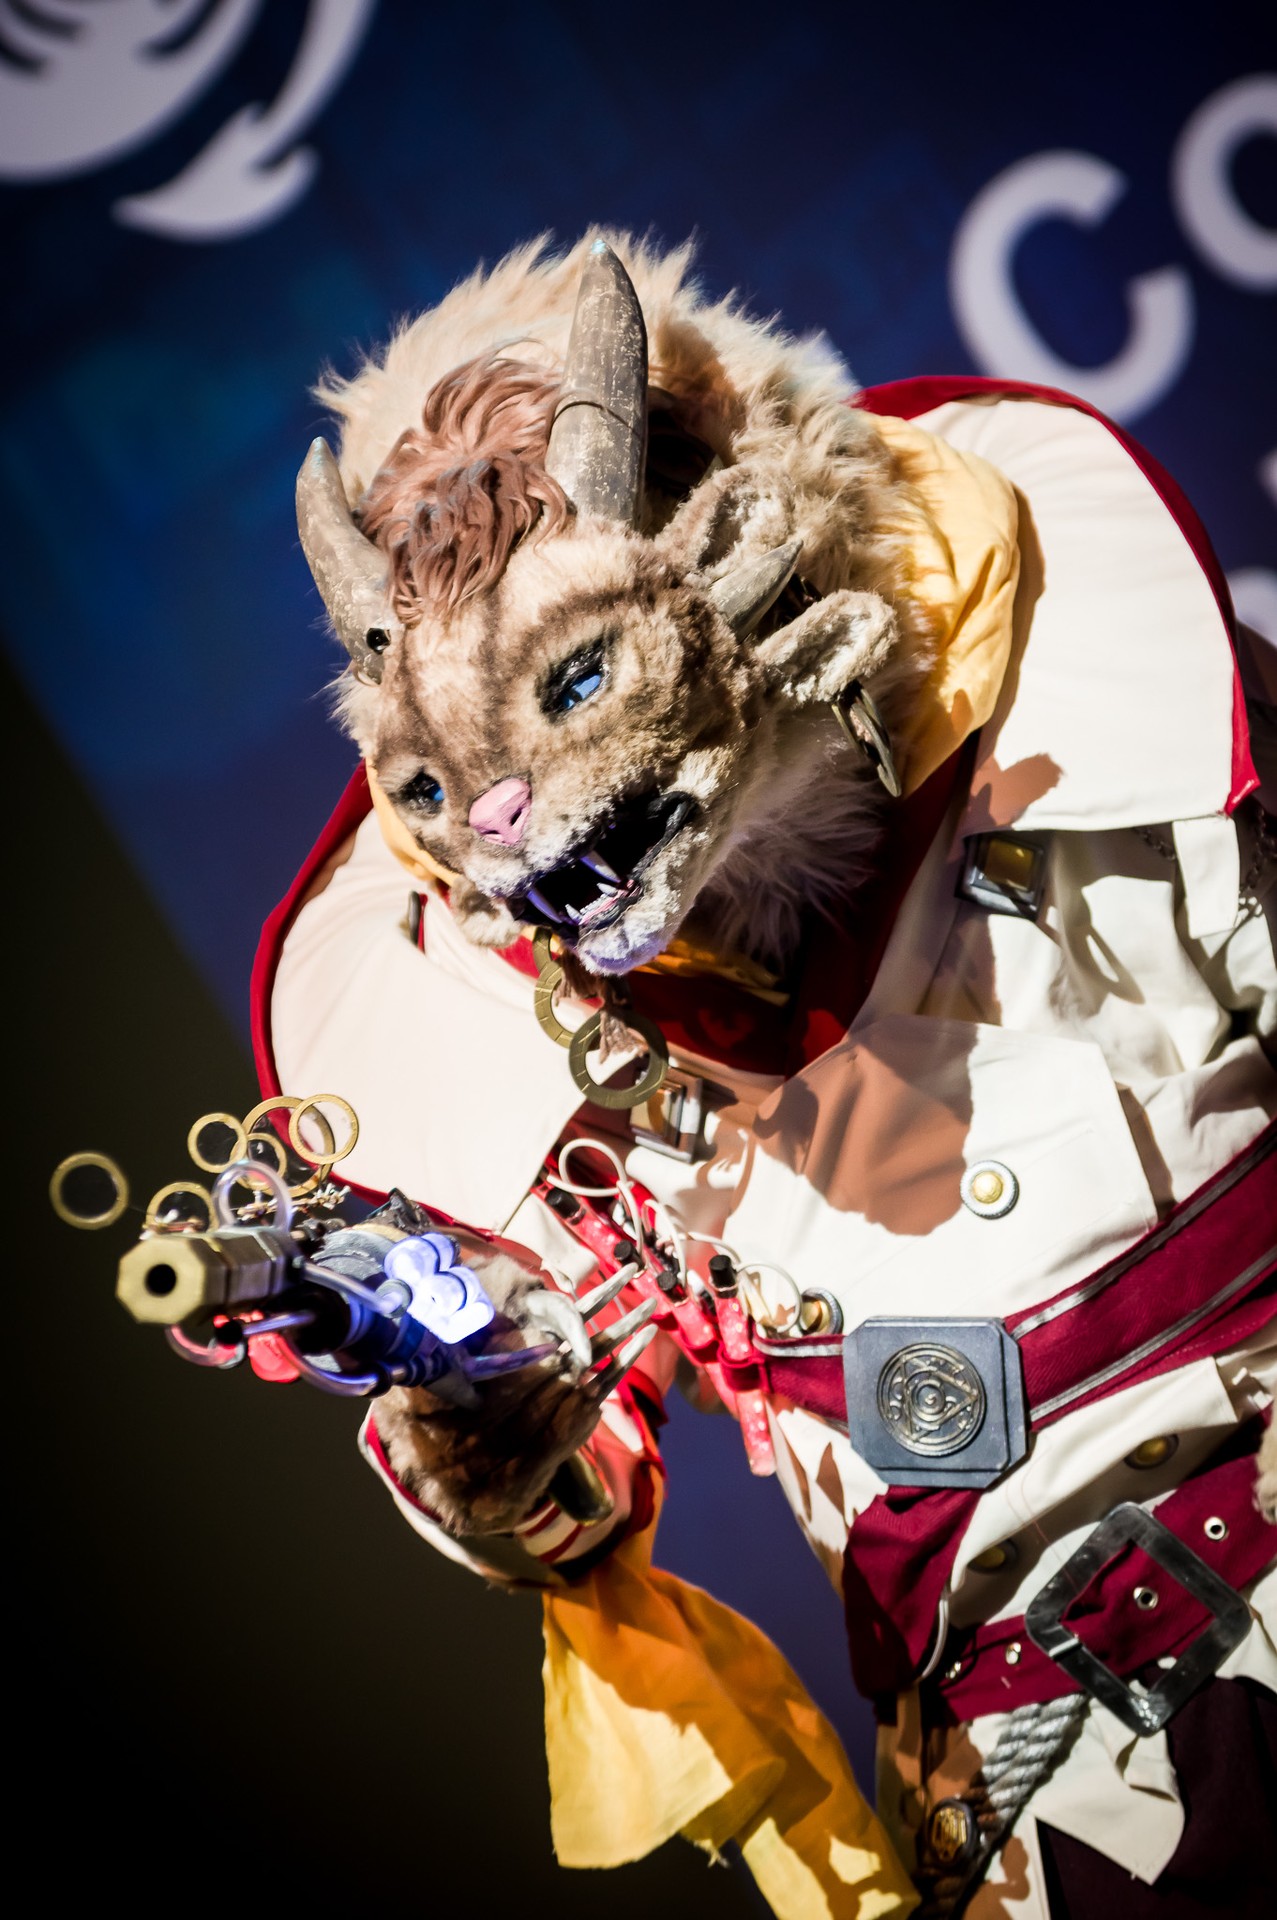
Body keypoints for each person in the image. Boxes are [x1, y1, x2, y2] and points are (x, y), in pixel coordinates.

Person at [252, 233, 1276, 1917]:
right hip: (1048, 1774)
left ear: (729, 527)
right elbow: (572, 1474)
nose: (505, 812)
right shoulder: (499, 1008)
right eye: (442, 773)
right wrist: (465, 1411)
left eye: (572, 677)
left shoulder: (1093, 681)